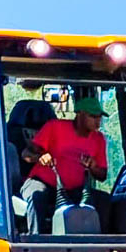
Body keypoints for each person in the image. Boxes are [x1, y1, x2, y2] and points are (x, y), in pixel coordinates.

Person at [19, 96, 109, 234]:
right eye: (93, 116)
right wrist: (40, 157)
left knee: (104, 200)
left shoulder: (99, 139)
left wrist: (93, 166)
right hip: (42, 182)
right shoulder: (55, 127)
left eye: (100, 117)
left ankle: (103, 244)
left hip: (74, 190)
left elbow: (102, 175)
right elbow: (26, 154)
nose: (98, 121)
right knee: (37, 195)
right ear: (80, 114)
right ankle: (35, 242)